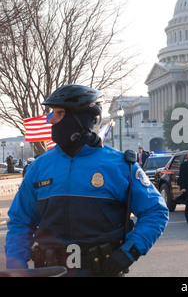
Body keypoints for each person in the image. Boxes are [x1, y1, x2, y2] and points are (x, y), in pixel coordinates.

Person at [5, 84, 169, 276]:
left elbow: (155, 211)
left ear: (79, 119)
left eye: (58, 114)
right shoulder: (38, 167)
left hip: (101, 271)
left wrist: (130, 252)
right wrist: (16, 266)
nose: (51, 120)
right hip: (49, 271)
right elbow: (20, 221)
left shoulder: (121, 166)